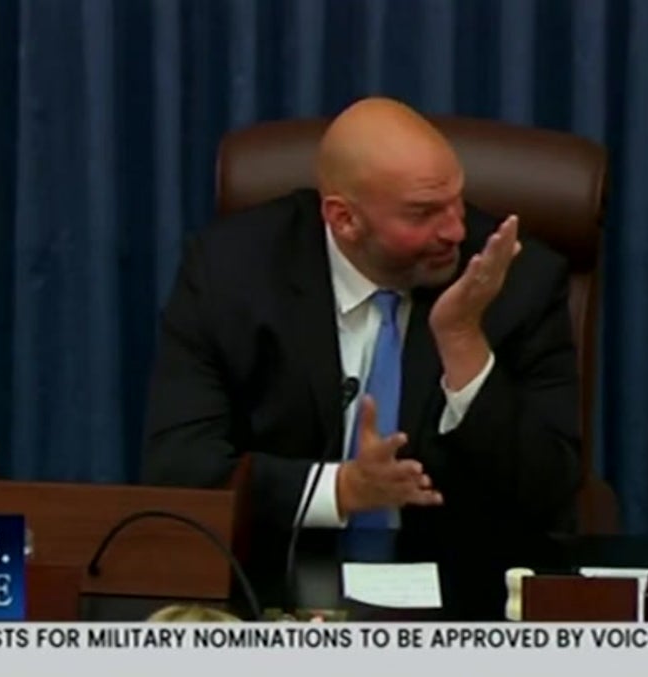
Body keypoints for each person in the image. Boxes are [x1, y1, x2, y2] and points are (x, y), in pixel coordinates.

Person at [142, 97, 581, 559]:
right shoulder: (231, 272)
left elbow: (550, 495)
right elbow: (178, 470)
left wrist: (462, 340)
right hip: (276, 574)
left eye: (456, 202)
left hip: (459, 578)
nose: (454, 231)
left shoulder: (515, 279)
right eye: (423, 213)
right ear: (344, 219)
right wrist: (340, 489)